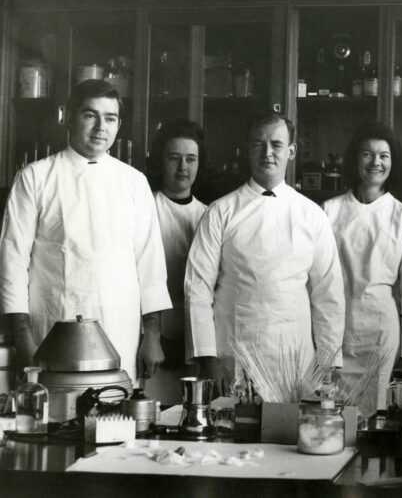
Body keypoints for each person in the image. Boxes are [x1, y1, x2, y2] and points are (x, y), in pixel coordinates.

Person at [0, 79, 172, 384]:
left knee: (113, 419)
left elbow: (150, 265)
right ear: (68, 116)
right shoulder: (35, 177)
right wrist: (23, 339)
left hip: (119, 328)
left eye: (110, 118)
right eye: (89, 115)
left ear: (119, 124)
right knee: (53, 419)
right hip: (52, 329)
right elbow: (12, 263)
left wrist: (152, 336)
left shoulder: (133, 182)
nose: (100, 128)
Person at [184, 111, 345, 394]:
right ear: (248, 150)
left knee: (287, 434)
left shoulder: (311, 215)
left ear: (291, 151)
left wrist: (329, 362)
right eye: (258, 144)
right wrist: (208, 357)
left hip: (295, 359)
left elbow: (328, 294)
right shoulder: (221, 211)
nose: (267, 153)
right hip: (233, 356)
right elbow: (197, 288)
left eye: (276, 145)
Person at [323, 122, 402, 417]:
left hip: (381, 333)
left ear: (393, 163)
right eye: (367, 154)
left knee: (374, 416)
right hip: (335, 330)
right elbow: (315, 281)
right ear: (355, 159)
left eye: (384, 156)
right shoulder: (330, 211)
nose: (375, 162)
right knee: (332, 415)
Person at [145, 119, 207, 405]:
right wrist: (152, 337)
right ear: (161, 161)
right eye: (174, 158)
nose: (183, 167)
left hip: (196, 337)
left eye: (190, 159)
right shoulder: (146, 208)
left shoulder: (210, 215)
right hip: (151, 338)